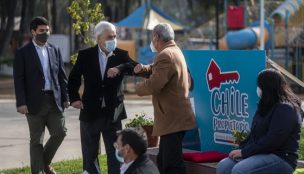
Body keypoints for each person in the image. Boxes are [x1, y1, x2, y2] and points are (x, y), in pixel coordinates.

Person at [68, 21, 137, 174]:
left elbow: (135, 68)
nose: (114, 39)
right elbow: (73, 78)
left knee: (115, 154)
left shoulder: (121, 55)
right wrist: (74, 98)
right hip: (90, 112)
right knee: (90, 154)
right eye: (109, 37)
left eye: (115, 36)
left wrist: (119, 68)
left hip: (113, 113)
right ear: (99, 39)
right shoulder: (85, 55)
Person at [133, 23, 196, 174]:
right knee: (163, 162)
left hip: (172, 119)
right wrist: (143, 69)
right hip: (175, 118)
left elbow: (155, 84)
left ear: (157, 37)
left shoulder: (165, 55)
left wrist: (137, 88)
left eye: (153, 38)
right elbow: (158, 70)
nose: (152, 42)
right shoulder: (174, 51)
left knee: (172, 165)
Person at [216, 68, 302, 174]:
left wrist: (244, 152)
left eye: (260, 85)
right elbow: (254, 135)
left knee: (240, 169)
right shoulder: (265, 105)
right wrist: (241, 148)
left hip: (281, 157)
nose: (258, 88)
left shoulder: (286, 109)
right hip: (260, 153)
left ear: (267, 87)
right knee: (223, 166)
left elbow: (273, 141)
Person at [13, 16, 69, 174]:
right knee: (36, 140)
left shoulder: (54, 50)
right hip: (33, 102)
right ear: (33, 32)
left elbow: (61, 77)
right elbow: (19, 80)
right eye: (41, 31)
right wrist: (21, 103)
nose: (45, 33)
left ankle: (44, 162)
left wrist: (66, 97)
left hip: (54, 100)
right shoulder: (23, 53)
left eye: (47, 30)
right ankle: (38, 171)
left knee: (60, 131)